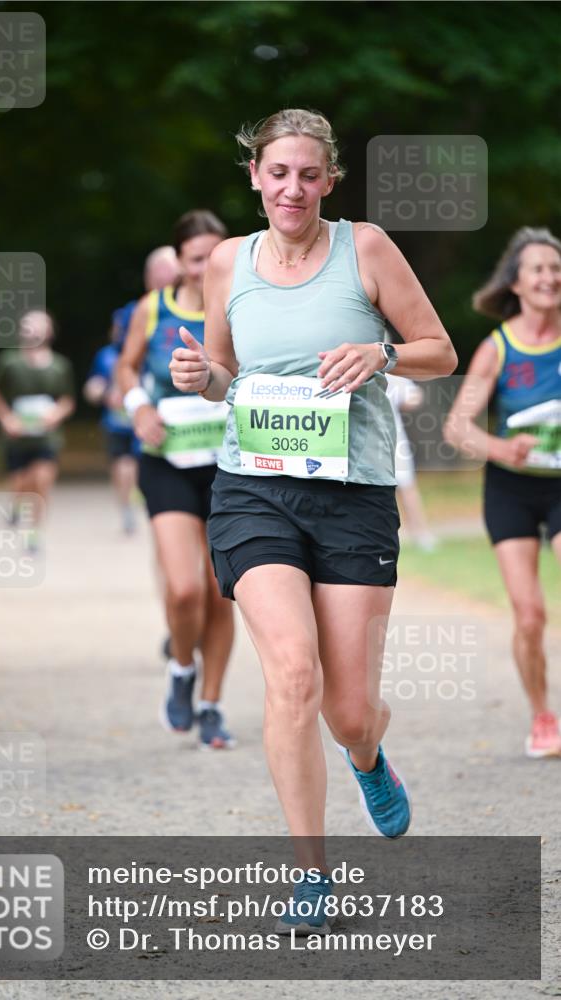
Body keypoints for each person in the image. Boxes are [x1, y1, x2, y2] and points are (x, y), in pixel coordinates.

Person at [170, 109, 456, 931]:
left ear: (328, 180)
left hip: (352, 495)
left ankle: (367, 757)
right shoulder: (227, 260)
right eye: (277, 173)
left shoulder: (365, 248)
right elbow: (225, 374)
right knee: (293, 674)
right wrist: (199, 374)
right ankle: (309, 872)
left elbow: (439, 349)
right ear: (254, 177)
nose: (291, 188)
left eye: (307, 174)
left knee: (348, 710)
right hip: (252, 490)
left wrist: (382, 353)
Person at [118, 211, 236, 750]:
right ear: (179, 261)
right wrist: (140, 407)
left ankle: (211, 705)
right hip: (166, 460)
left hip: (228, 464)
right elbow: (126, 368)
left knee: (220, 594)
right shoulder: (153, 308)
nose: (206, 267)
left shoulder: (239, 305)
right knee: (185, 588)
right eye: (195, 258)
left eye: (215, 255)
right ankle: (182, 668)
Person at [445, 227, 561, 758]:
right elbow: (457, 427)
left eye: (556, 268)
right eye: (538, 268)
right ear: (516, 282)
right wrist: (501, 448)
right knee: (530, 614)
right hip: (512, 488)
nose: (549, 277)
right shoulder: (499, 348)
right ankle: (542, 717)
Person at [84, 247, 180, 534]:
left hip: (184, 410)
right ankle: (134, 507)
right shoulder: (136, 312)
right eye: (159, 278)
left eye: (170, 277)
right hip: (143, 405)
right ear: (148, 278)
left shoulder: (202, 304)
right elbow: (123, 358)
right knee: (131, 460)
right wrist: (120, 390)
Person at [0, 310, 75, 551]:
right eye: (28, 325)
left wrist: (56, 414)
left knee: (41, 481)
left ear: (49, 331)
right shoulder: (8, 361)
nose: (32, 330)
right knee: (20, 483)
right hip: (16, 437)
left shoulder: (60, 366)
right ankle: (16, 505)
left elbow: (68, 400)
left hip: (46, 437)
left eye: (38, 325)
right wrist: (6, 418)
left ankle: (34, 533)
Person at [385, 373, 437, 551]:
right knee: (405, 487)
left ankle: (419, 531)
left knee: (406, 486)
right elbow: (412, 399)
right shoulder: (387, 369)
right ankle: (417, 532)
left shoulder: (389, 371)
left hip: (392, 437)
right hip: (388, 436)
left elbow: (411, 398)